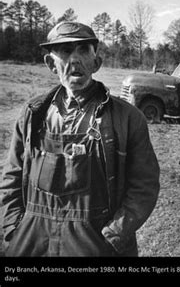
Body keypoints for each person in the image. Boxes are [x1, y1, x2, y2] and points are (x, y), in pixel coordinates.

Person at [0, 21, 160, 256]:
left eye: (83, 50)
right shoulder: (32, 114)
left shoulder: (128, 119)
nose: (75, 59)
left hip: (94, 245)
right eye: (65, 51)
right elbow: (11, 178)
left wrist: (113, 236)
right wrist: (13, 229)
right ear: (51, 64)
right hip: (32, 243)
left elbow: (144, 187)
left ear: (96, 62)